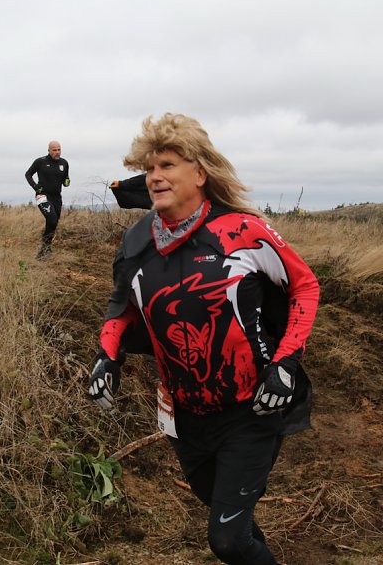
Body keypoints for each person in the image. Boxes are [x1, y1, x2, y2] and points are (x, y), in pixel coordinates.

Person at [87, 113, 320, 564]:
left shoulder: (241, 231)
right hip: (184, 414)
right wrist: (107, 357)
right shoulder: (136, 243)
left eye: (168, 165)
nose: (155, 176)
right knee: (226, 513)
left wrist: (286, 363)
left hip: (250, 406)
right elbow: (121, 308)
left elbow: (304, 286)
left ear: (200, 172)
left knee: (227, 540)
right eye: (150, 167)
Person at [25, 140, 70, 258]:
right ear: (49, 150)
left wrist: (66, 182)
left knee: (53, 223)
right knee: (52, 218)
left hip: (56, 197)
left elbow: (66, 178)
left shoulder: (64, 163)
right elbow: (28, 174)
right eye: (54, 150)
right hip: (42, 196)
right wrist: (35, 187)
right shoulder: (41, 162)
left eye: (59, 149)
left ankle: (45, 248)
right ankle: (45, 248)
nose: (57, 152)